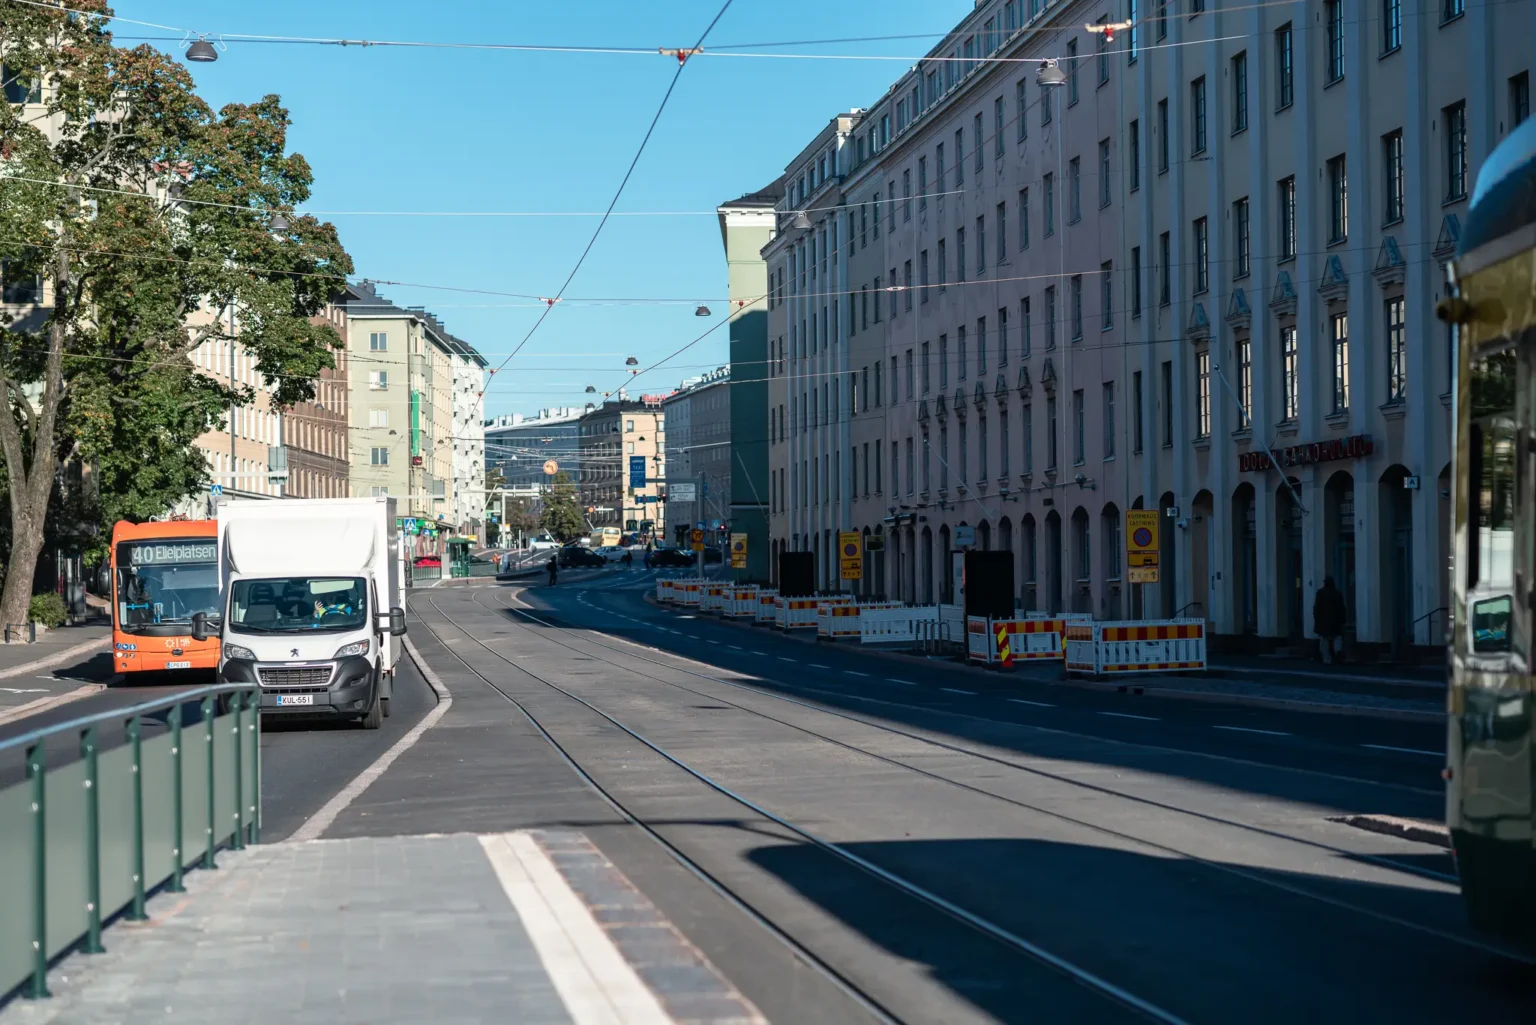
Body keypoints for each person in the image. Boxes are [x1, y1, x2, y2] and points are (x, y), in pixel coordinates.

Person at [1313, 577, 1347, 664]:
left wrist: (1317, 620)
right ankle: (1338, 653)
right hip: (1336, 621)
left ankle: (1326, 658)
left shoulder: (1320, 593)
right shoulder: (1337, 593)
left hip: (1323, 621)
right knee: (1336, 638)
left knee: (1325, 639)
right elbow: (1341, 608)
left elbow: (1317, 609)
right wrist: (1343, 620)